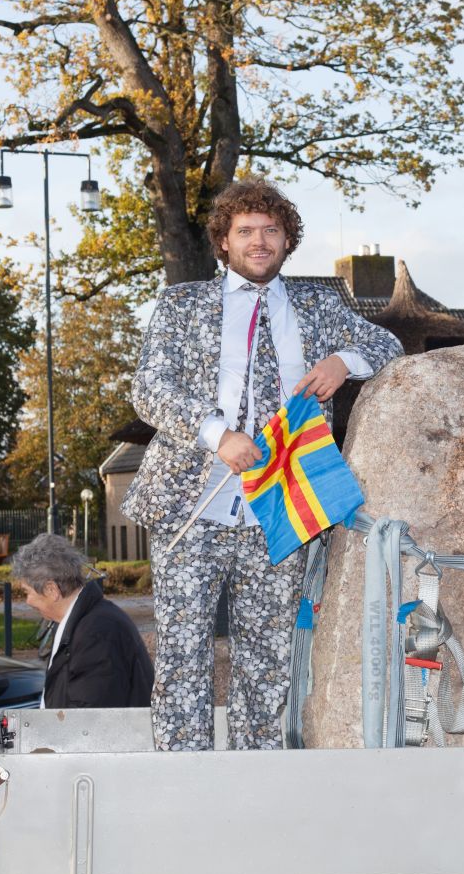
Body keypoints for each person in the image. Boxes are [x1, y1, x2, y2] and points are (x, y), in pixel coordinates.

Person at [122, 179, 403, 751]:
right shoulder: (183, 304)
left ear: (287, 240)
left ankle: (257, 780)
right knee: (182, 658)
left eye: (271, 230)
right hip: (190, 506)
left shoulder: (318, 305)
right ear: (223, 241)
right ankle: (185, 780)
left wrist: (343, 361)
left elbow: (389, 348)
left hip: (281, 509)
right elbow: (149, 388)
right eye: (245, 230)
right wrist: (217, 435)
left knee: (269, 662)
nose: (259, 241)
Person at [12, 533, 154, 709]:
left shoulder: (96, 633)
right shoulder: (82, 622)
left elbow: (89, 717)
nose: (28, 601)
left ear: (51, 590)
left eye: (27, 592)